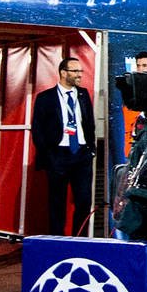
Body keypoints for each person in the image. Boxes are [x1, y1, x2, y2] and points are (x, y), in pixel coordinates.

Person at [33, 56, 97, 235]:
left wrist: (91, 149)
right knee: (57, 203)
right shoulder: (45, 98)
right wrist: (49, 156)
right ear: (63, 73)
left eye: (80, 71)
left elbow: (89, 124)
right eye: (75, 71)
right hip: (58, 155)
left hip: (82, 155)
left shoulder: (83, 95)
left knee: (84, 201)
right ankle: (58, 241)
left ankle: (80, 240)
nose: (79, 75)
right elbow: (38, 130)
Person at [120, 49, 147, 159]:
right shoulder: (129, 91)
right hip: (133, 145)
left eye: (144, 65)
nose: (140, 69)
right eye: (138, 66)